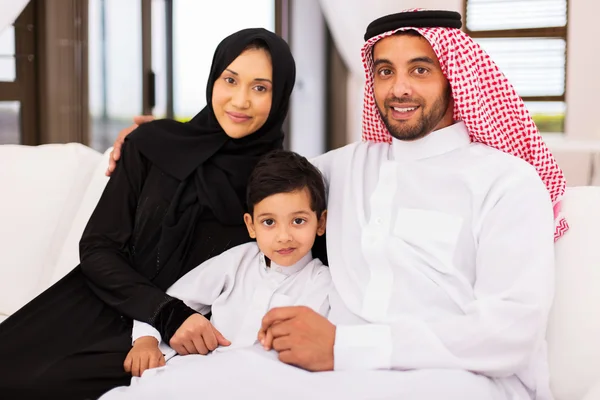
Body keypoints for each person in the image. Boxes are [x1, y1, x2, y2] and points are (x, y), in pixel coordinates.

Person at [103, 9, 565, 400]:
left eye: (420, 70)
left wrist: (345, 347)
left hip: (457, 379)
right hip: (331, 373)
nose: (399, 88)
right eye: (385, 71)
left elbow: (511, 332)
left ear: (454, 77)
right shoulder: (342, 170)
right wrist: (161, 142)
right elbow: (258, 179)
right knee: (156, 390)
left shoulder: (507, 182)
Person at [0, 27, 296, 399]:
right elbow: (98, 247)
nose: (240, 100)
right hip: (98, 300)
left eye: (260, 88)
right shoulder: (151, 145)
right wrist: (163, 311)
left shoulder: (280, 184)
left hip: (181, 338)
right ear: (213, 79)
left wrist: (171, 323)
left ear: (280, 95)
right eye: (230, 80)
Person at [116, 150, 331, 384]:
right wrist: (146, 340)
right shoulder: (238, 261)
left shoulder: (324, 283)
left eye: (298, 221)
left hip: (272, 384)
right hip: (206, 373)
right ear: (251, 225)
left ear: (320, 222)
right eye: (269, 222)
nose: (284, 236)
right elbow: (171, 301)